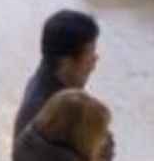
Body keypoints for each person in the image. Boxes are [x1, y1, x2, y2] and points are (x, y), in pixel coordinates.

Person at [14, 10, 100, 138]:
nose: (96, 58)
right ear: (66, 62)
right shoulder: (58, 114)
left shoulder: (47, 79)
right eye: (90, 52)